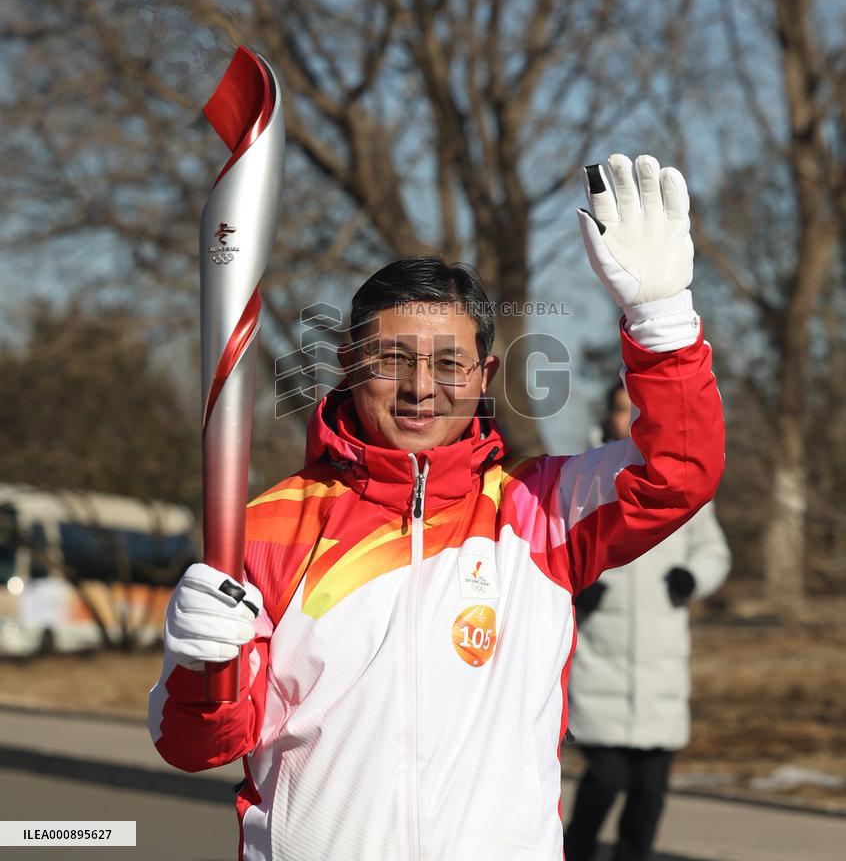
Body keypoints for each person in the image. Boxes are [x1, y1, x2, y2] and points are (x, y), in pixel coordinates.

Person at [148, 154, 724, 861]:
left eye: (449, 364)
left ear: (484, 376)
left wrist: (662, 321)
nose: (421, 388)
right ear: (350, 365)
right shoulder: (269, 527)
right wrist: (195, 669)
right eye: (392, 359)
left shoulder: (538, 509)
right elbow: (197, 746)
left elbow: (679, 472)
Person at [563, 383, 731, 861]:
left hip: (662, 671)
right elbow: (548, 547)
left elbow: (714, 551)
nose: (632, 418)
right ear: (607, 416)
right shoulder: (582, 477)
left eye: (639, 408)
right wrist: (576, 589)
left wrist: (691, 578)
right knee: (605, 781)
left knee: (649, 796)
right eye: (623, 409)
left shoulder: (681, 480)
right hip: (600, 668)